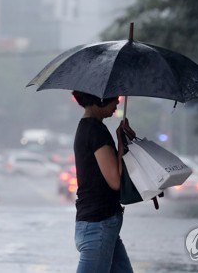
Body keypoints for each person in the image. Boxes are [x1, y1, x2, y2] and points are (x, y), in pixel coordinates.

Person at [72, 90, 135, 273]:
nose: (117, 104)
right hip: (98, 224)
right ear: (100, 99)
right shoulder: (95, 130)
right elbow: (115, 180)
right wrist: (121, 144)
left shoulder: (88, 127)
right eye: (114, 99)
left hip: (102, 225)